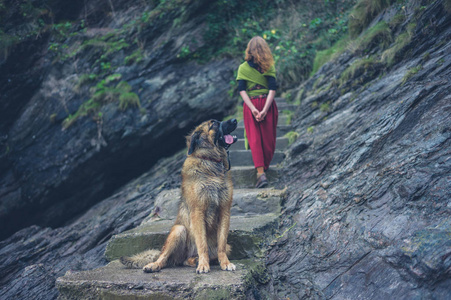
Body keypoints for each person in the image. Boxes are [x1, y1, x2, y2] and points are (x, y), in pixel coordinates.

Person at [236, 36, 278, 188]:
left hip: (260, 104)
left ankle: (263, 170)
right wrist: (258, 109)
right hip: (258, 104)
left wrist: (261, 109)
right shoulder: (247, 68)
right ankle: (261, 173)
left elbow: (271, 89)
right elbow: (243, 90)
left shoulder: (267, 67)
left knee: (264, 140)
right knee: (260, 140)